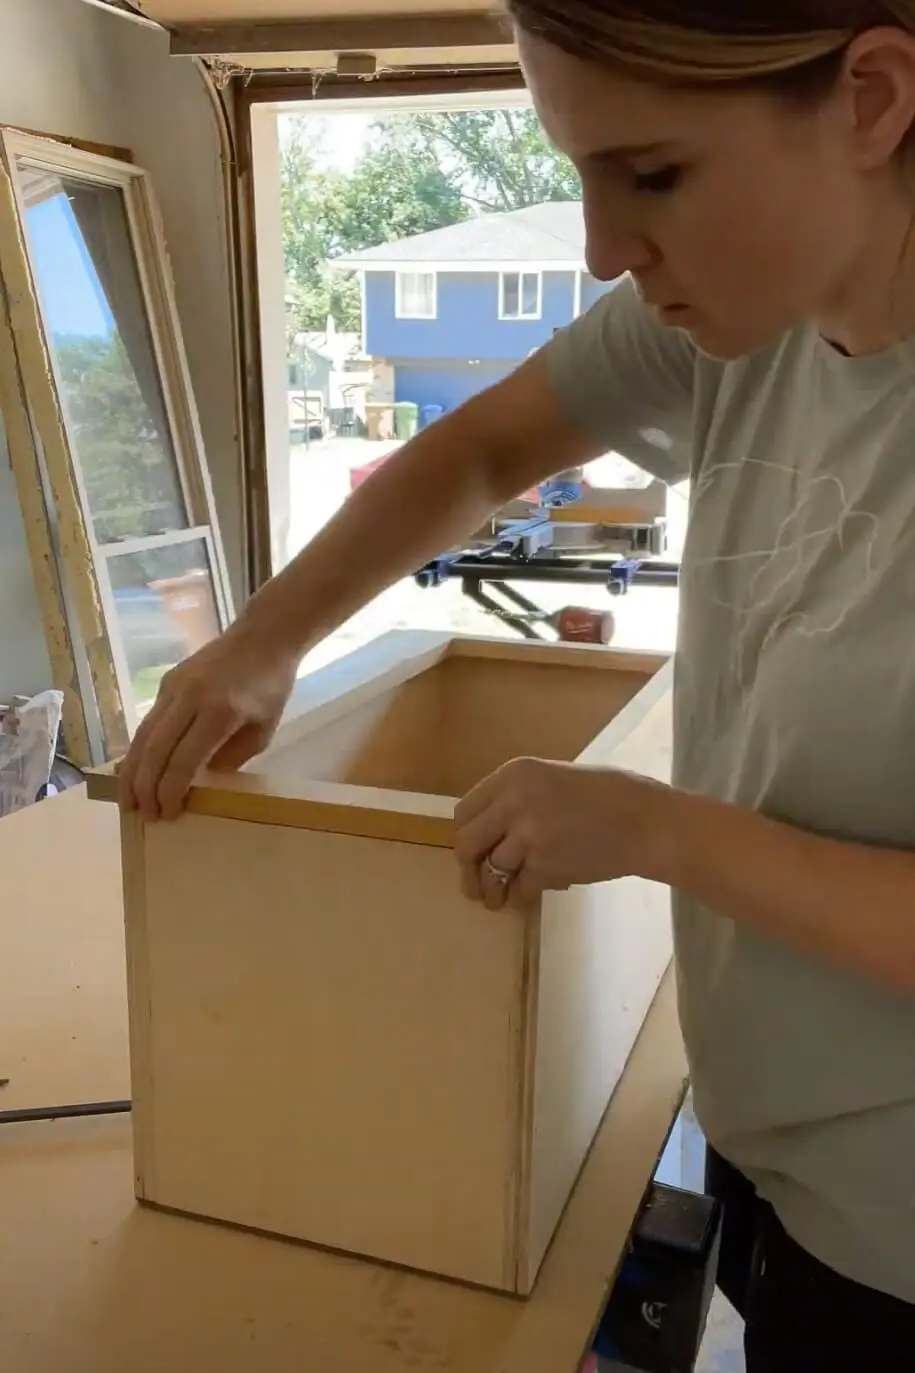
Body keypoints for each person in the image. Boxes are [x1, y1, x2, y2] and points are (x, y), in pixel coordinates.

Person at [118, 4, 915, 1367]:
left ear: (871, 99)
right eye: (582, 173)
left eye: (653, 173)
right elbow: (479, 451)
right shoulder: (746, 318)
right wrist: (264, 640)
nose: (605, 247)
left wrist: (658, 830)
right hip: (776, 1148)